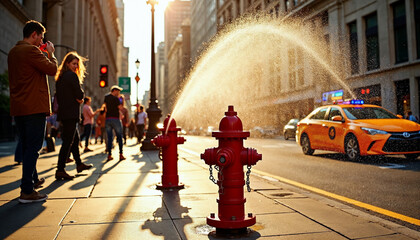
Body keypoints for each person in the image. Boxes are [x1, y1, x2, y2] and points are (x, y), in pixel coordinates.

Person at [8, 20, 57, 203]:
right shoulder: (31, 50)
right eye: (41, 37)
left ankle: (33, 181)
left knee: (27, 146)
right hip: (33, 107)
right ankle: (27, 191)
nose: (41, 41)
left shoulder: (13, 52)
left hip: (19, 107)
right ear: (34, 34)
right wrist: (50, 54)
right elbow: (51, 69)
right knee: (34, 148)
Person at [55, 51, 93, 180]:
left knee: (75, 139)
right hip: (71, 113)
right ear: (67, 63)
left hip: (65, 113)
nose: (76, 66)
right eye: (73, 64)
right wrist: (79, 98)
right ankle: (60, 169)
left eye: (77, 64)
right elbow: (80, 94)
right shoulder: (71, 76)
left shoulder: (60, 77)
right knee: (67, 141)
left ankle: (79, 164)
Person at [104, 85, 126, 161]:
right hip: (115, 119)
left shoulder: (106, 97)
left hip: (108, 119)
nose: (119, 93)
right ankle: (121, 154)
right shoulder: (116, 99)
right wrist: (122, 101)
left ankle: (109, 155)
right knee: (119, 137)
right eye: (118, 91)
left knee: (110, 138)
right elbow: (121, 108)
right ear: (114, 90)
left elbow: (105, 108)